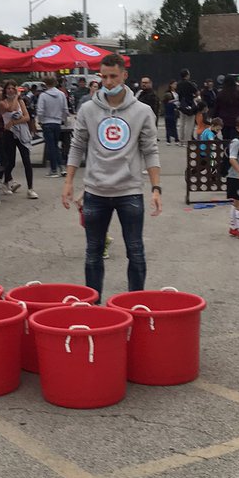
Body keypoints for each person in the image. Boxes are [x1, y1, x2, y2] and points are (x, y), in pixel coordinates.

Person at [62, 53, 162, 299]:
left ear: (124, 76)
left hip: (129, 192)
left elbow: (150, 150)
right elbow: (77, 145)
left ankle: (135, 304)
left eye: (113, 76)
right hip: (95, 192)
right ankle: (94, 307)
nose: (108, 82)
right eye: (103, 76)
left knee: (136, 251)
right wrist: (68, 182)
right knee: (93, 253)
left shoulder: (142, 111)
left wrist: (156, 188)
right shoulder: (88, 109)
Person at [0, 81, 37, 198]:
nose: (10, 90)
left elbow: (26, 117)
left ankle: (30, 189)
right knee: (11, 162)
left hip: (22, 134)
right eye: (8, 88)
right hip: (9, 135)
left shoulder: (21, 101)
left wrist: (13, 122)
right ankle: (5, 181)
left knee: (27, 160)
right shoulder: (2, 103)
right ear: (5, 90)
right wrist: (16, 97)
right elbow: (11, 109)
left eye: (13, 88)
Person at [36, 75, 69, 177]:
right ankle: (61, 167)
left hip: (47, 122)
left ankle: (54, 169)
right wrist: (63, 120)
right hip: (57, 123)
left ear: (45, 84)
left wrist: (40, 121)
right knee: (55, 146)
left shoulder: (43, 96)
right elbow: (65, 110)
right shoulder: (61, 95)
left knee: (51, 147)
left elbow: (40, 111)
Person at [212, 76, 239, 144]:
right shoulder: (238, 93)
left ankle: (225, 152)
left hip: (224, 120)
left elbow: (216, 108)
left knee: (225, 138)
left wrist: (214, 118)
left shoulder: (220, 94)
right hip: (236, 119)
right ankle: (233, 153)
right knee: (235, 139)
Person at [175, 70, 199, 144]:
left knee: (182, 123)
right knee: (189, 123)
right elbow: (197, 92)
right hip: (189, 105)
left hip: (181, 105)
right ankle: (187, 140)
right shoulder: (189, 83)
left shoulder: (178, 84)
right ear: (187, 75)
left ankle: (181, 140)